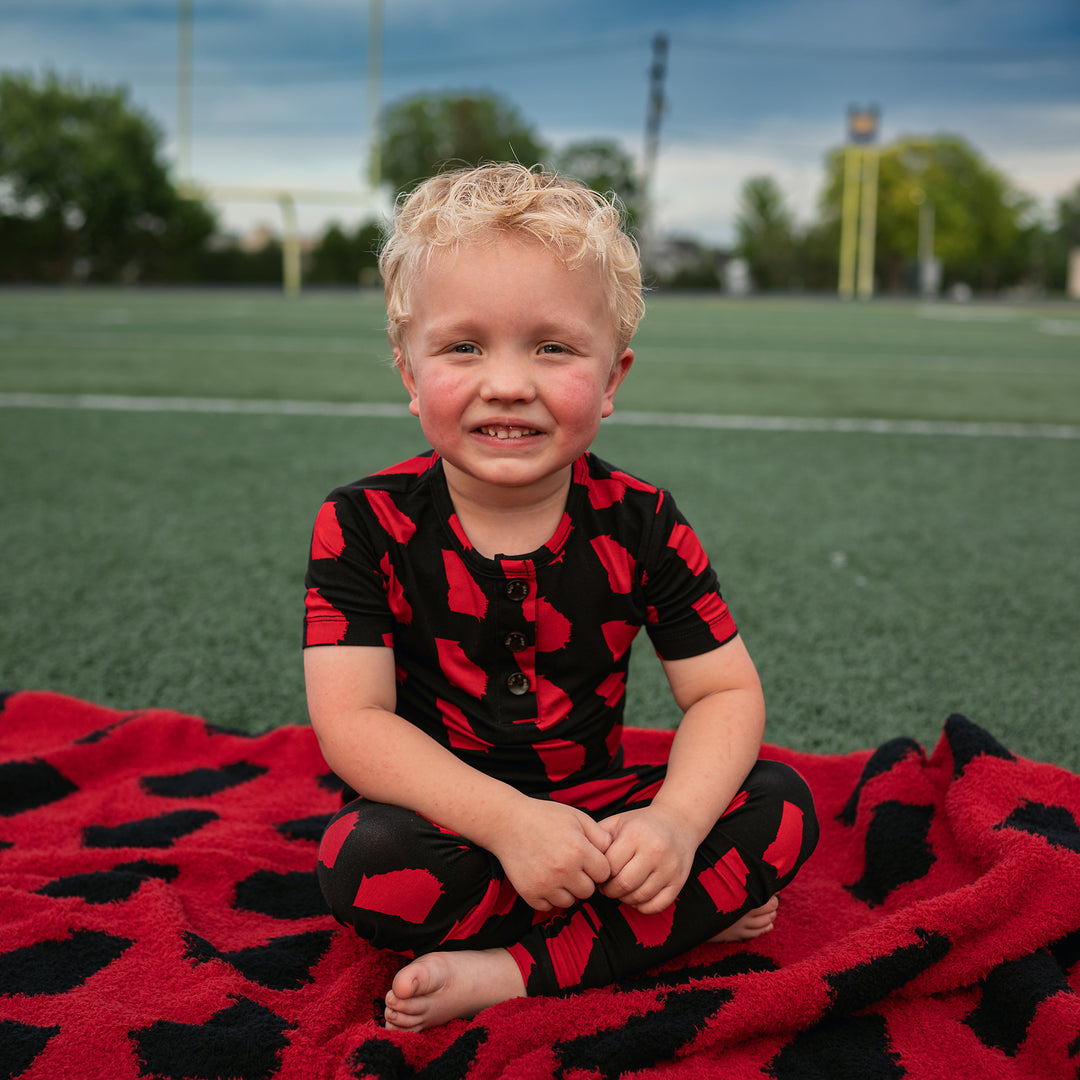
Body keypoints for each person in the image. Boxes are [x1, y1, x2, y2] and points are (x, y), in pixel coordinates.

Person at [304, 163, 818, 1032]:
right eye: (463, 347)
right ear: (408, 369)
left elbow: (724, 693)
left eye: (552, 346)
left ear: (612, 378)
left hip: (602, 819)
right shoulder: (363, 520)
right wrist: (508, 824)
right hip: (453, 821)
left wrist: (676, 828)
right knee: (363, 862)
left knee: (782, 804)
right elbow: (354, 722)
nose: (507, 382)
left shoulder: (645, 520)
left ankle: (513, 972)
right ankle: (672, 926)